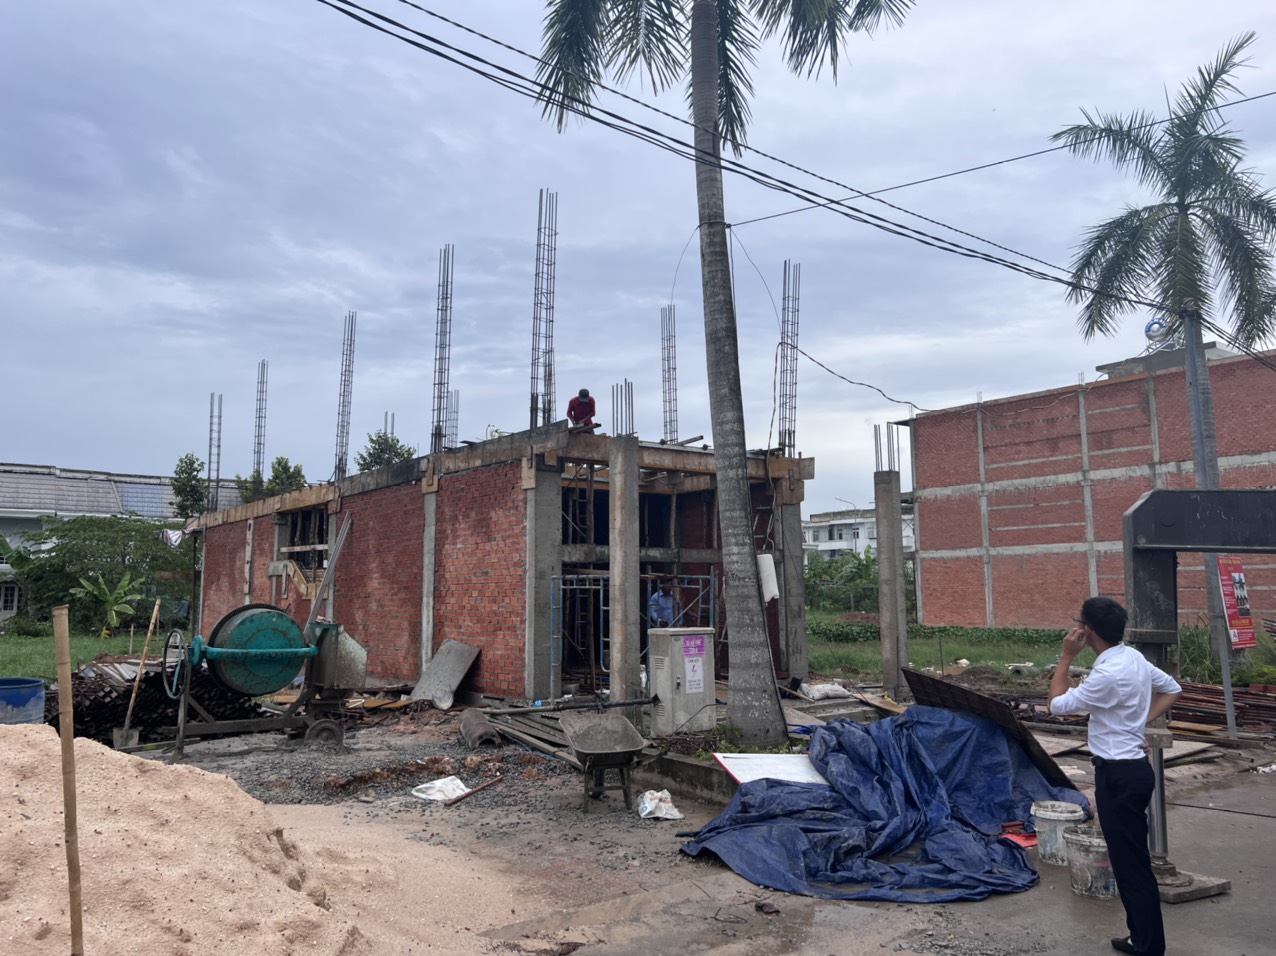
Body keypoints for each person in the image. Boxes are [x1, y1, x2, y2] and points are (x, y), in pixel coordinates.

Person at [1047, 596, 1181, 956]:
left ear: (1086, 631)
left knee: (1131, 866)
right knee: (1129, 862)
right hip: (1132, 771)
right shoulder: (1132, 658)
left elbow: (1056, 705)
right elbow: (1172, 689)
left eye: (1079, 622)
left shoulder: (1106, 676)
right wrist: (1138, 724)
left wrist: (1066, 658)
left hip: (1118, 776)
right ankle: (1141, 938)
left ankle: (1149, 946)